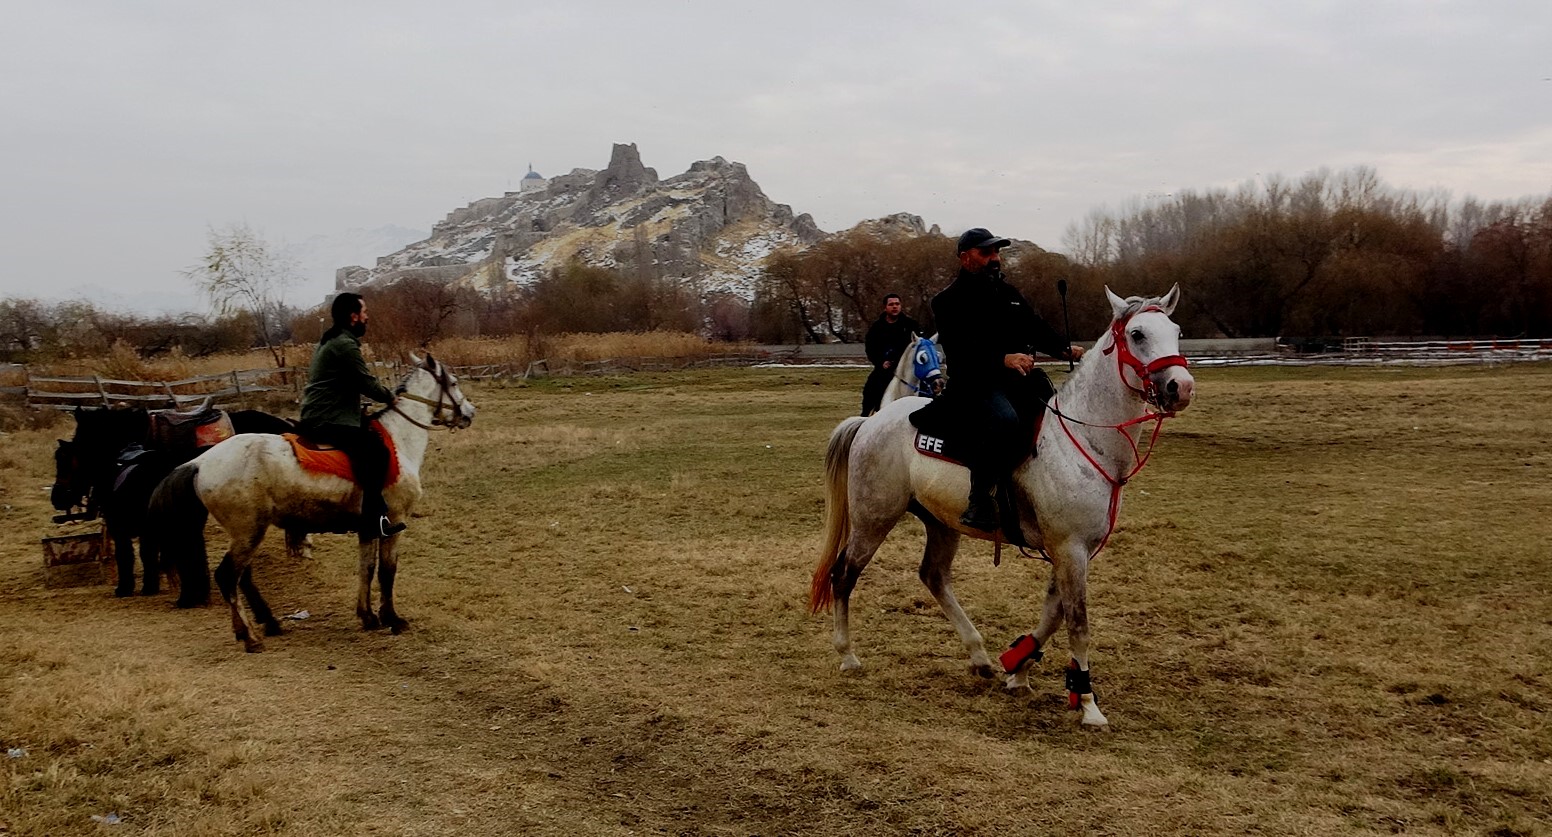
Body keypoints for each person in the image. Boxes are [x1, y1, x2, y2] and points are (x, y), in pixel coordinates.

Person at [927, 228, 1084, 532]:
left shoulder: (1008, 293)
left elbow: (1034, 326)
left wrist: (1063, 347)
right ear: (965, 257)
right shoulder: (947, 301)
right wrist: (1003, 359)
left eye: (996, 252)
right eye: (986, 253)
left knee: (1051, 406)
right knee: (1004, 420)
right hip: (973, 384)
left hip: (1015, 381)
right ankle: (980, 498)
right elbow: (960, 349)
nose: (994, 259)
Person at [299, 293, 406, 539]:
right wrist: (391, 397)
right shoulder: (344, 345)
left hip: (325, 414)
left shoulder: (332, 340)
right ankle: (373, 521)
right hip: (327, 419)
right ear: (353, 316)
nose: (368, 317)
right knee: (377, 453)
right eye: (365, 312)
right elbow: (365, 382)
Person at [860, 293, 921, 416]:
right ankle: (866, 416)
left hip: (908, 367)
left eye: (897, 304)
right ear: (885, 307)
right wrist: (880, 362)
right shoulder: (876, 328)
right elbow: (870, 348)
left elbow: (919, 345)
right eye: (891, 304)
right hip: (885, 369)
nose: (895, 307)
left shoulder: (911, 325)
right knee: (870, 388)